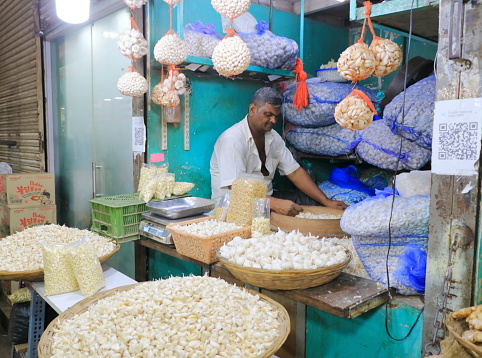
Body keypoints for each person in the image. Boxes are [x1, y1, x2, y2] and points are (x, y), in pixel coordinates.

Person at [210, 87, 347, 216]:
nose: (273, 120)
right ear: (252, 109)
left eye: (276, 116)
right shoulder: (232, 139)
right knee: (280, 216)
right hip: (234, 205)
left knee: (313, 203)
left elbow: (295, 172)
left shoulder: (273, 137)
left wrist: (326, 201)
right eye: (268, 115)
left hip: (267, 198)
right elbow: (236, 189)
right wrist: (274, 204)